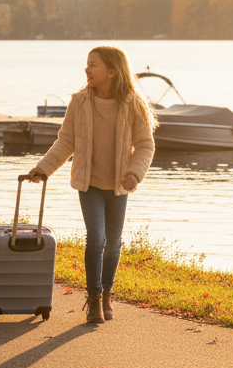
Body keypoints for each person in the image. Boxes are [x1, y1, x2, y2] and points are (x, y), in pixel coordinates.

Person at [27, 46, 155, 325]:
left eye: (93, 65)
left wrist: (134, 173)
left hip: (119, 185)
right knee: (96, 239)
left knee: (113, 243)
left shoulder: (133, 104)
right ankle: (94, 299)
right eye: (87, 64)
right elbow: (65, 142)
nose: (87, 70)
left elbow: (145, 145)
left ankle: (107, 293)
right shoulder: (79, 102)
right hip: (89, 184)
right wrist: (44, 168)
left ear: (112, 71)